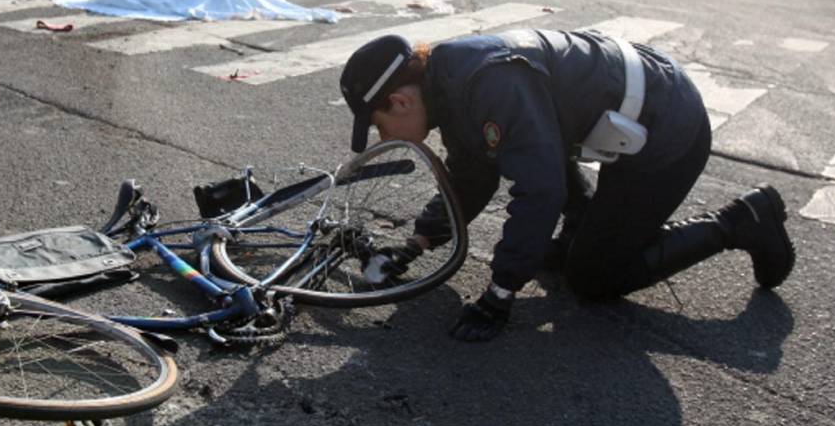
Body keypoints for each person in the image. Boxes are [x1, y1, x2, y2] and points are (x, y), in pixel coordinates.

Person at [339, 31, 795, 342]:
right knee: (553, 253)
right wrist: (418, 243)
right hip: (617, 120)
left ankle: (741, 221)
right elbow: (473, 177)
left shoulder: (485, 82)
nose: (384, 140)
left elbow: (540, 189)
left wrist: (500, 293)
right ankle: (588, 229)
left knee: (591, 278)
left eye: (380, 126)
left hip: (668, 128)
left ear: (400, 100)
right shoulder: (448, 83)